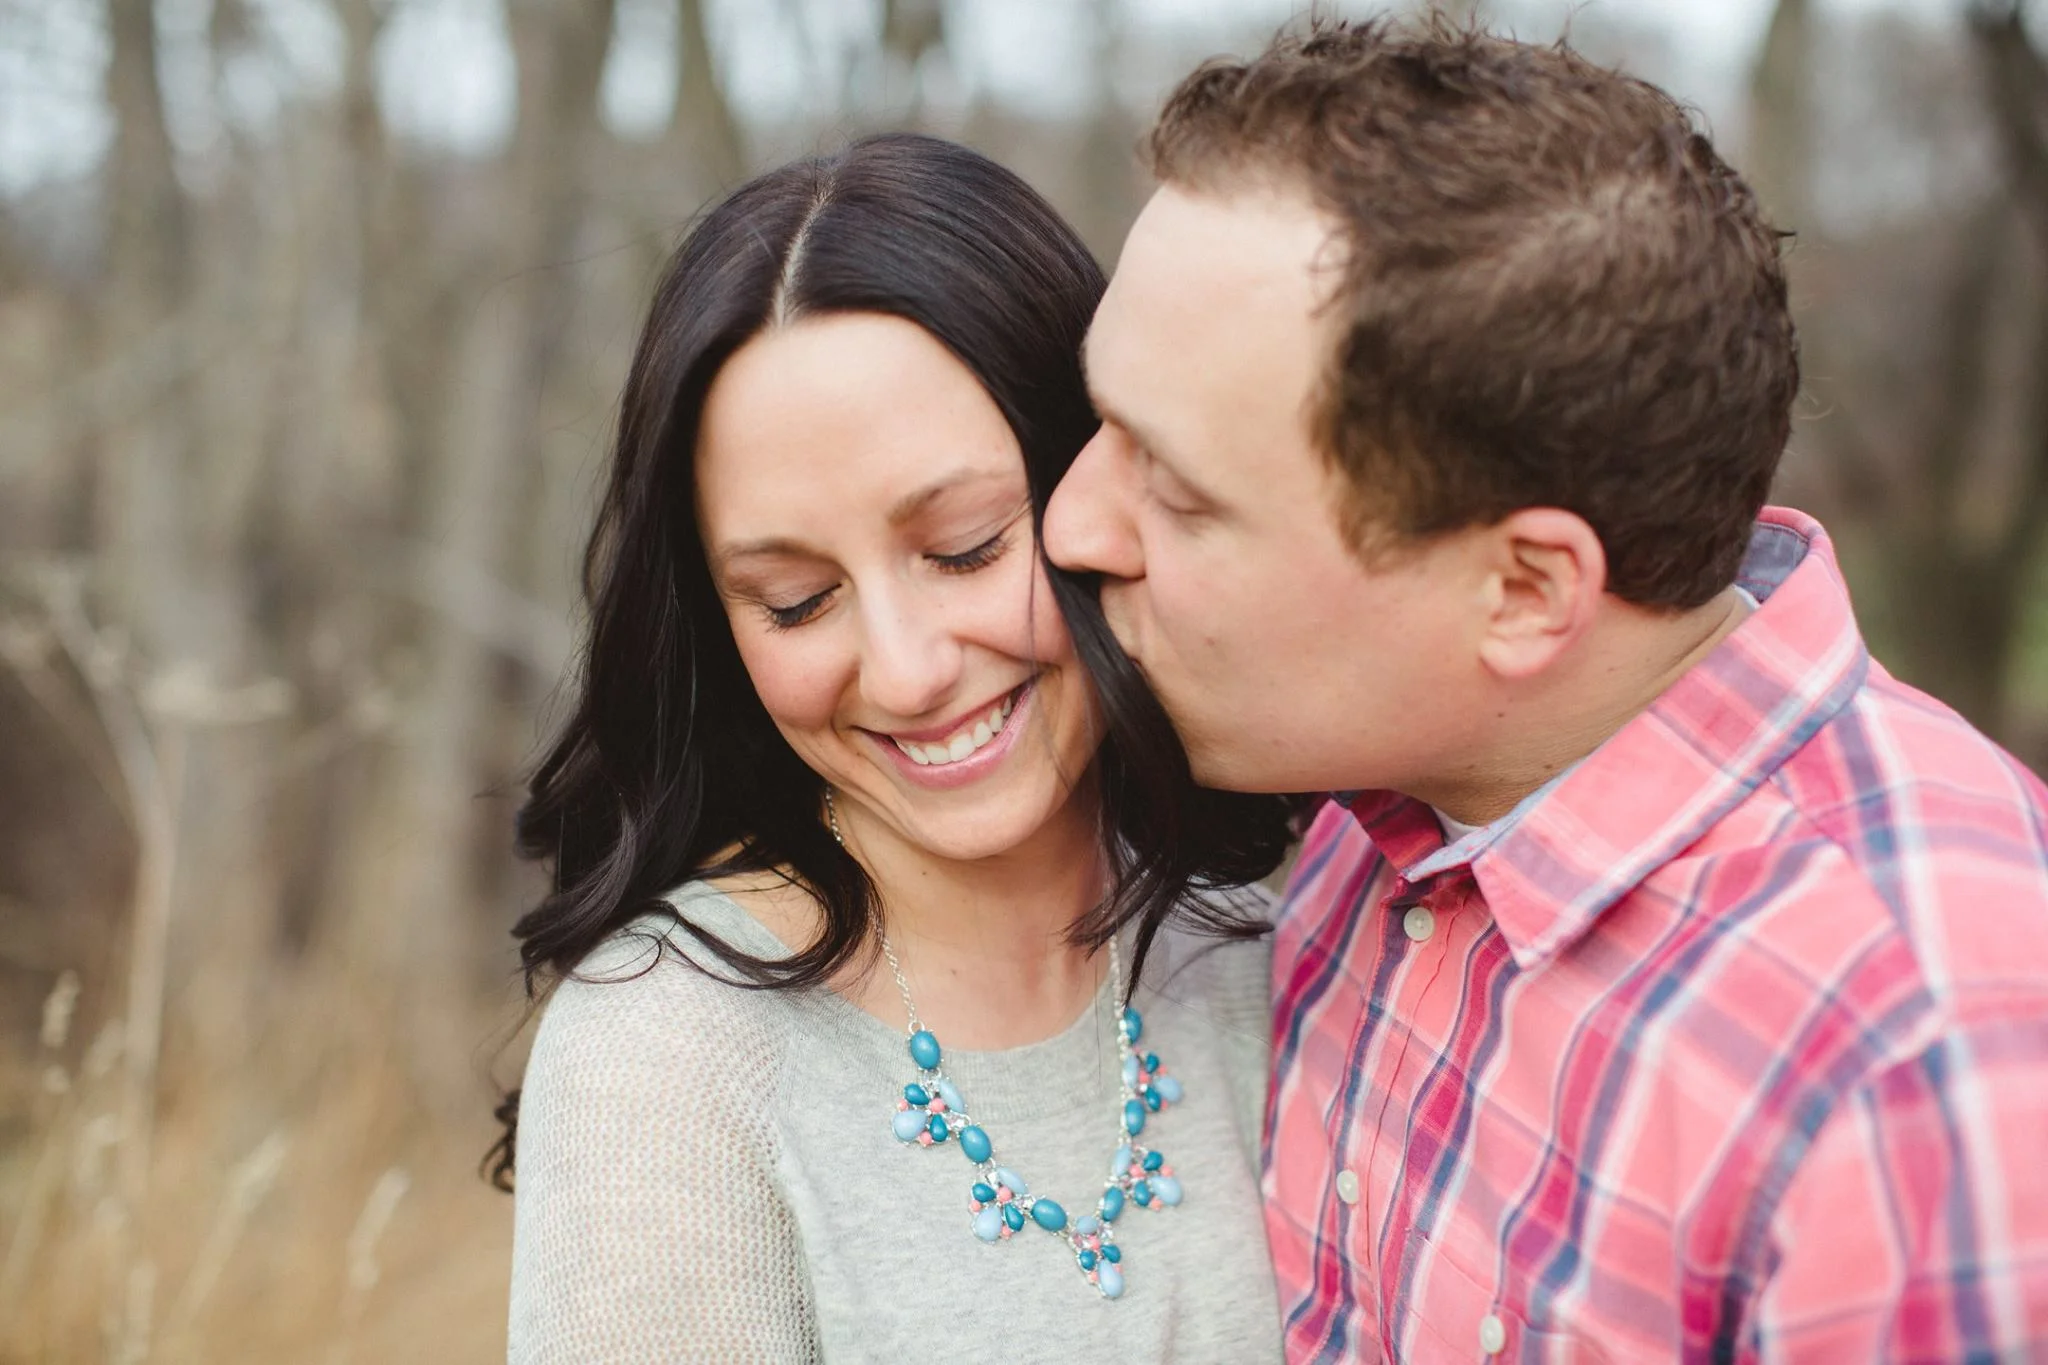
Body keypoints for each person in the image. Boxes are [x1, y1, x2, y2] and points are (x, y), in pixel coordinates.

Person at [1044, 19, 2048, 1363]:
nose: (1072, 525)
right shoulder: (1389, 782)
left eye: (1176, 490)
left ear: (1523, 592)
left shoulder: (1919, 1074)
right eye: (1101, 427)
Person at [494, 133, 1294, 1363]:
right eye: (797, 601)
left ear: (1100, 483)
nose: (910, 669)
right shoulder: (665, 1060)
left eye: (967, 547)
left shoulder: (1289, 938)